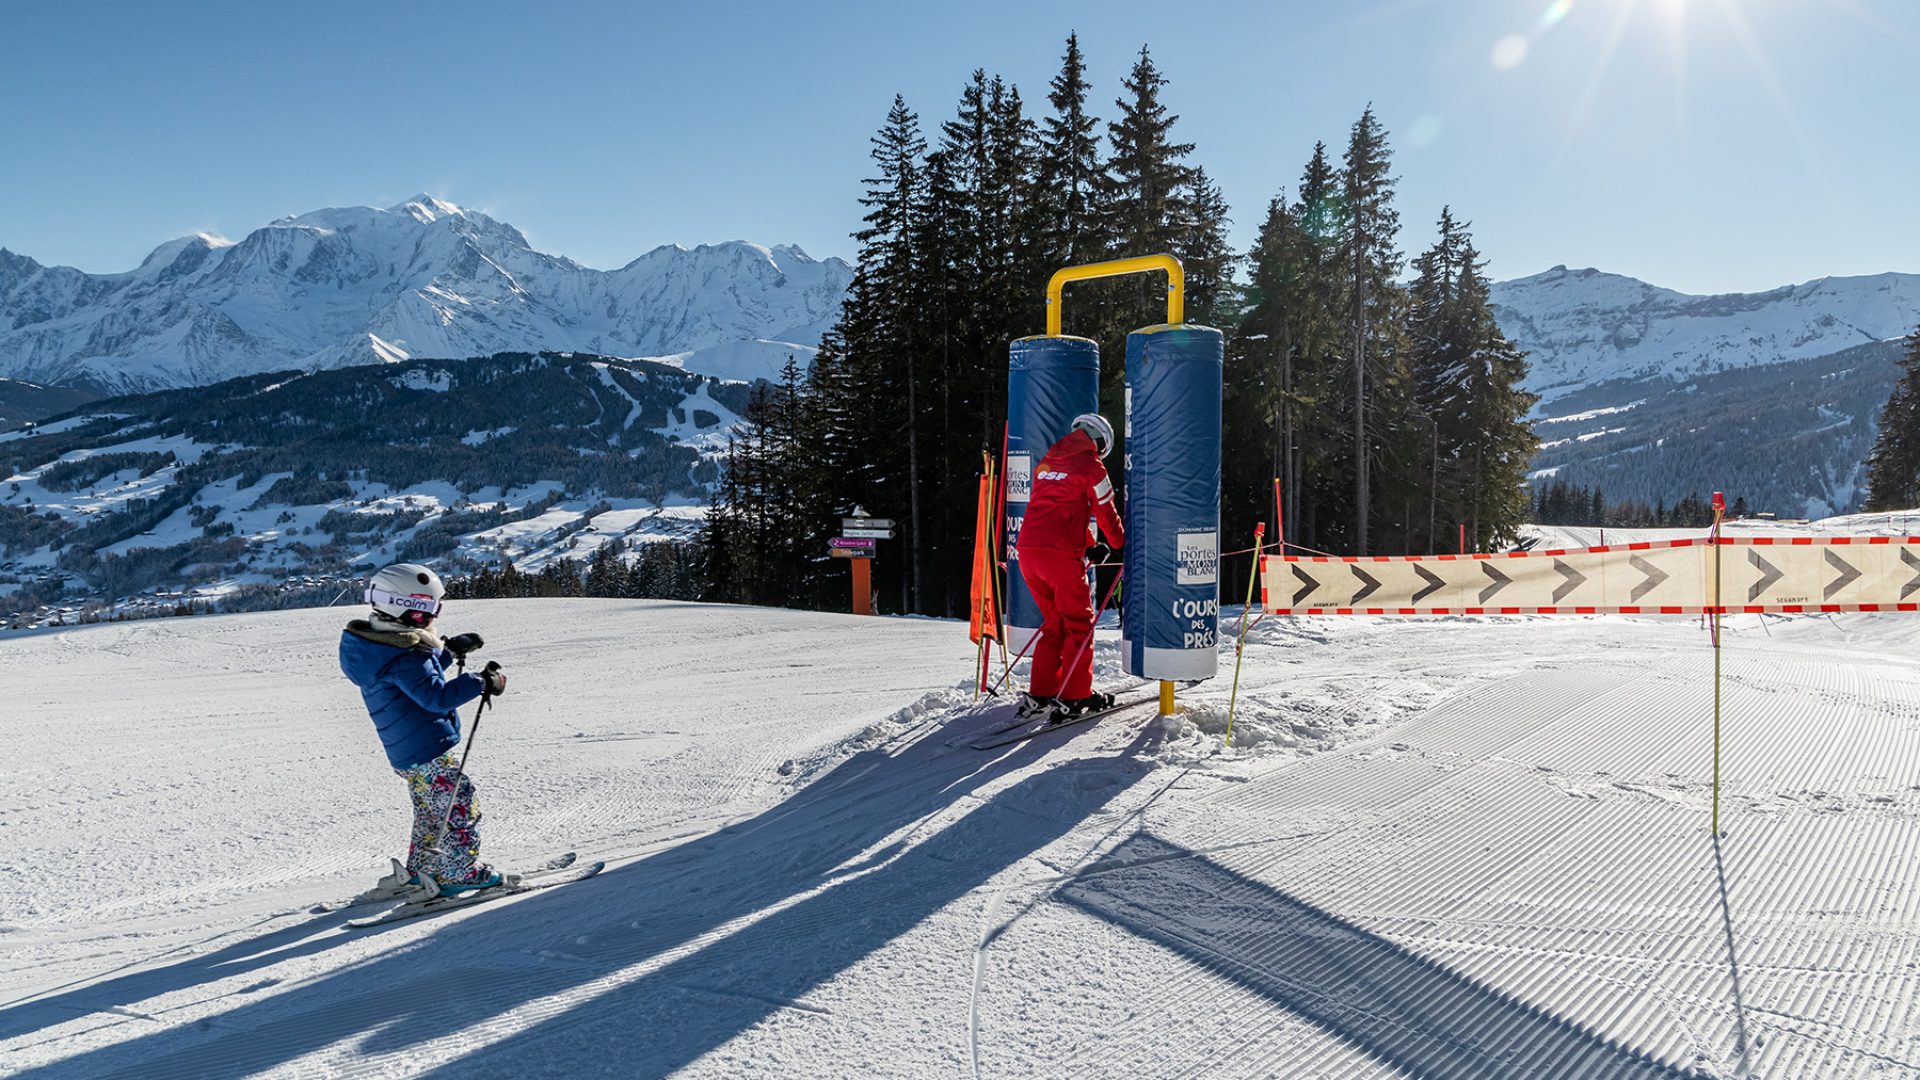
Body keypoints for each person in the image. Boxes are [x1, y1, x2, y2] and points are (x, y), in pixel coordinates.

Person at [338, 562, 509, 895]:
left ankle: (421, 872)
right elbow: (435, 696)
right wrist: (482, 681)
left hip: (409, 753)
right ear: (404, 609)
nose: (432, 618)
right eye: (426, 611)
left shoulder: (382, 648)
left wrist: (449, 654)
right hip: (427, 750)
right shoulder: (405, 655)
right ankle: (458, 872)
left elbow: (418, 679)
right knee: (459, 803)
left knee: (432, 813)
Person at [1016, 412, 1125, 721]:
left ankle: (1042, 691)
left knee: (1054, 623)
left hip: (1028, 552)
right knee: (1078, 623)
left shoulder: (1047, 463)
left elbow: (1059, 512)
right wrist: (1118, 543)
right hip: (1059, 556)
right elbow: (1106, 511)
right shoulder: (1092, 467)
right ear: (1100, 443)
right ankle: (1076, 697)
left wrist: (1090, 545)